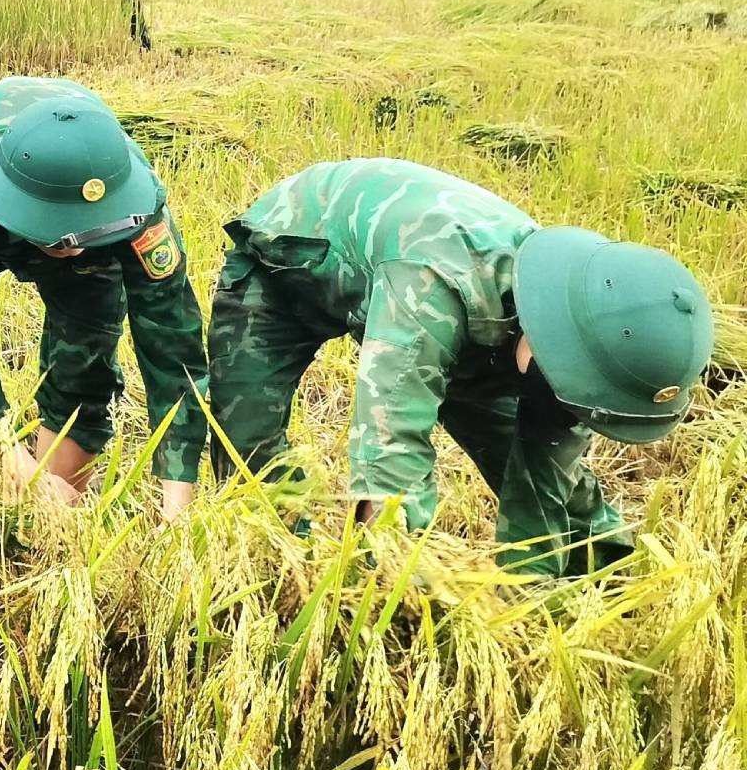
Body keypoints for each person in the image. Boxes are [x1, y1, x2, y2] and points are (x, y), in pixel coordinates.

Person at [198, 158, 714, 578]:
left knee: (532, 451)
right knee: (246, 440)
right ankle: (278, 569)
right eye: (568, 388)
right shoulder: (435, 284)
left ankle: (604, 576)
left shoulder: (585, 322)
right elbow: (391, 439)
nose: (569, 402)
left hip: (469, 318)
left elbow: (548, 464)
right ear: (545, 337)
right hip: (288, 265)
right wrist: (398, 581)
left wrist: (532, 591)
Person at [0, 76, 210, 512]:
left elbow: (173, 348)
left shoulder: (137, 210)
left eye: (86, 232)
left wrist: (177, 501)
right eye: (60, 234)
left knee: (84, 366)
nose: (73, 249)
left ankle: (54, 516)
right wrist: (9, 452)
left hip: (94, 198)